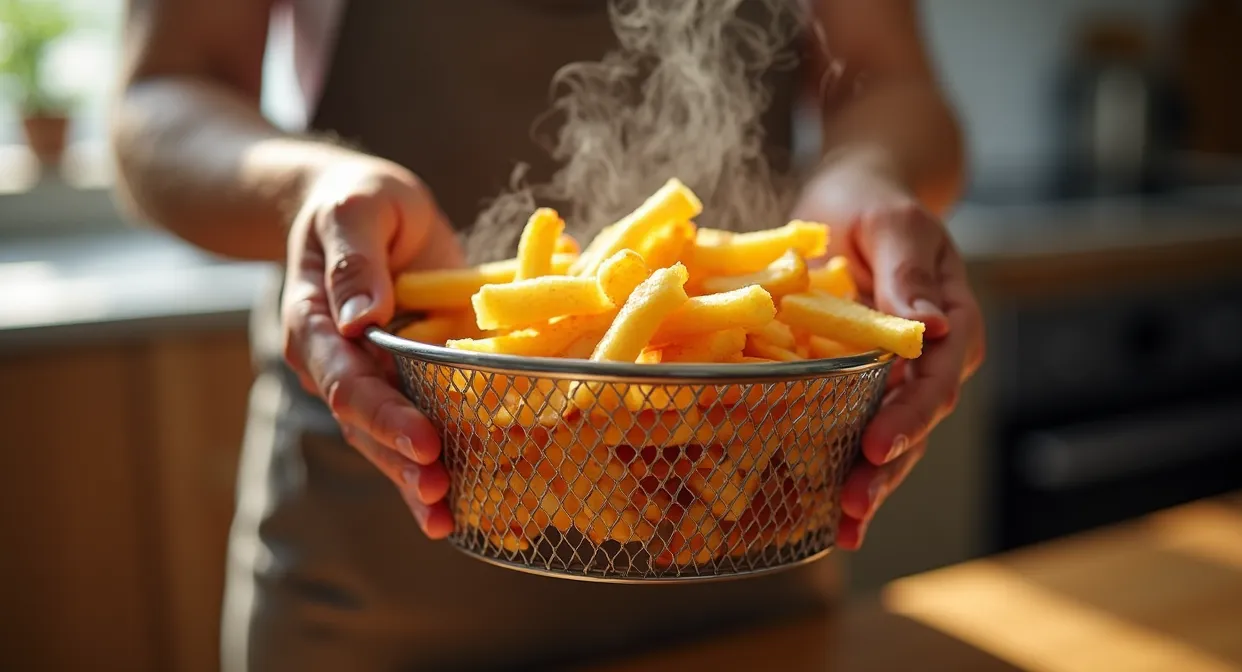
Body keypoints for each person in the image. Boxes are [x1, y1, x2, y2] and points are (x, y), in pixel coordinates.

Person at [112, 0, 984, 669]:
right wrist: (309, 187)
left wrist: (869, 177)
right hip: (377, 565)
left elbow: (891, 78)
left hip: (744, 541)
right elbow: (161, 94)